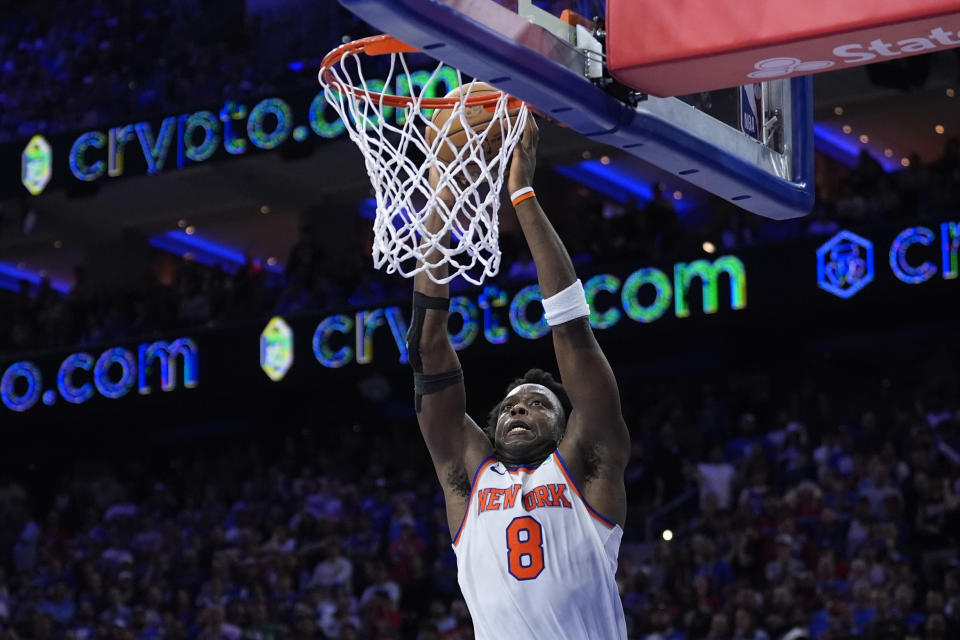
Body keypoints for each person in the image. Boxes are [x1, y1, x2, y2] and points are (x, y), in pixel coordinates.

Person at [407, 116, 630, 638]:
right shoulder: (469, 478)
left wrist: (522, 193)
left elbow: (573, 332)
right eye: (510, 405)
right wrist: (440, 198)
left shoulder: (588, 464)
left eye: (536, 403)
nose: (518, 408)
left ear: (563, 426)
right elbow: (428, 348)